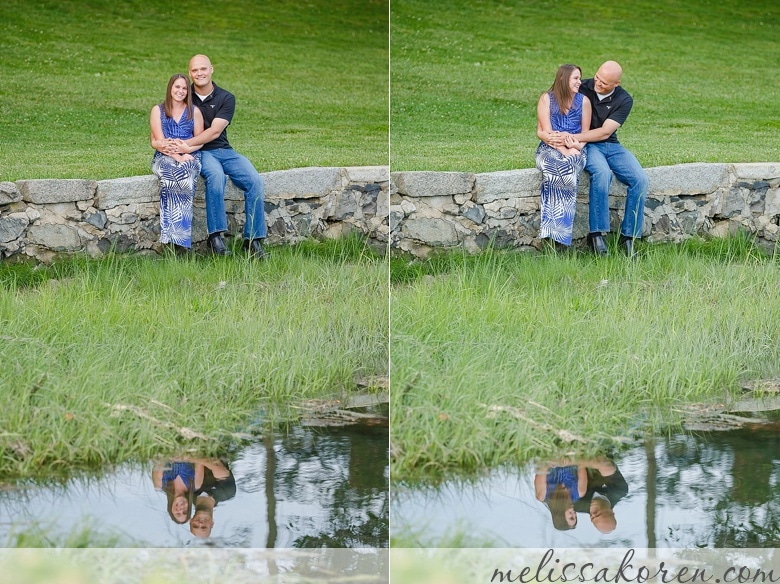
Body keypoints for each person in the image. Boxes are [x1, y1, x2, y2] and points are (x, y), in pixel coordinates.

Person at [168, 54, 268, 258]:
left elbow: (214, 131)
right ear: (190, 73)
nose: (199, 73)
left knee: (255, 181)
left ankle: (253, 241)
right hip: (201, 152)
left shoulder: (226, 98)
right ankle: (215, 239)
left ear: (211, 69)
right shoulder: (185, 96)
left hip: (224, 149)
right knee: (216, 177)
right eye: (195, 70)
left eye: (203, 69)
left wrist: (186, 146)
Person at [554, 61, 648, 258]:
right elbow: (556, 98)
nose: (598, 83)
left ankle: (629, 237)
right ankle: (597, 234)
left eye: (604, 82)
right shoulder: (584, 86)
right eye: (597, 77)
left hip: (611, 144)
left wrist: (573, 138)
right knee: (602, 173)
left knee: (640, 179)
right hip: (589, 146)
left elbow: (606, 132)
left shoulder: (624, 99)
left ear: (616, 83)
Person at [535, 64, 591, 249]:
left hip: (576, 149)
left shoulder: (584, 101)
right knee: (553, 170)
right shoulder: (546, 99)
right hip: (549, 149)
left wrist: (576, 146)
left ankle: (560, 237)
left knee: (567, 172)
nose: (579, 82)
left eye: (580, 78)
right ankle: (550, 236)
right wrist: (565, 149)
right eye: (575, 78)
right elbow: (547, 134)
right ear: (563, 78)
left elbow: (585, 134)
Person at [149, 74, 204, 251]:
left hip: (190, 156)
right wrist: (178, 156)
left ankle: (179, 240)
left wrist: (186, 153)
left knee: (186, 178)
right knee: (171, 177)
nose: (180, 91)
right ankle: (170, 239)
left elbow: (200, 140)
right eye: (177, 87)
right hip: (164, 157)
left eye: (184, 88)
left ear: (188, 91)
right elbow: (160, 142)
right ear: (170, 88)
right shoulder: (158, 110)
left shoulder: (194, 111)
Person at [534, 463, 588, 531]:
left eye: (571, 517)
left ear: (560, 517)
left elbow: (541, 468)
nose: (574, 514)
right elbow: (582, 464)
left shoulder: (542, 495)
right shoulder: (580, 492)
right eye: (575, 516)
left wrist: (554, 462)